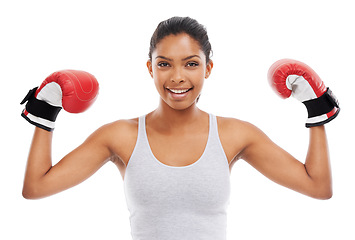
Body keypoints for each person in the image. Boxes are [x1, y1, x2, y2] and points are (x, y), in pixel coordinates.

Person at [20, 17, 340, 240]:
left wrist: (315, 108)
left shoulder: (234, 135)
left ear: (208, 67)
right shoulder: (120, 136)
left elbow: (318, 187)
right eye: (164, 64)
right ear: (150, 68)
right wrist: (45, 110)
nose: (177, 77)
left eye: (190, 63)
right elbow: (36, 187)